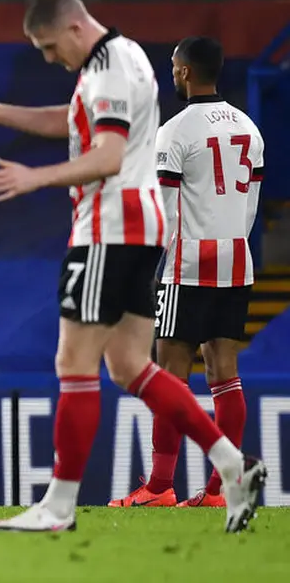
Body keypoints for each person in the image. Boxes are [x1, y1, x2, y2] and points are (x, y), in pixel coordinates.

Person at [0, 0, 265, 533]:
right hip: (152, 235)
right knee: (131, 368)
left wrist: (33, 177)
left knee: (74, 363)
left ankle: (59, 505)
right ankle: (234, 468)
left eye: (48, 48)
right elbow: (75, 123)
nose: (50, 59)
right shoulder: (124, 58)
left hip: (109, 229)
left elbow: (108, 156)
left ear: (72, 29)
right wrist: (0, 114)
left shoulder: (109, 68)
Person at [109, 37, 264, 509]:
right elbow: (251, 206)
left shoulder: (175, 132)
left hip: (187, 262)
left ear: (184, 72)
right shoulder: (250, 129)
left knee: (171, 376)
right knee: (225, 374)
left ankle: (159, 487)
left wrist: (150, 263)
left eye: (175, 67)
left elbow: (168, 211)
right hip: (237, 258)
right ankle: (220, 492)